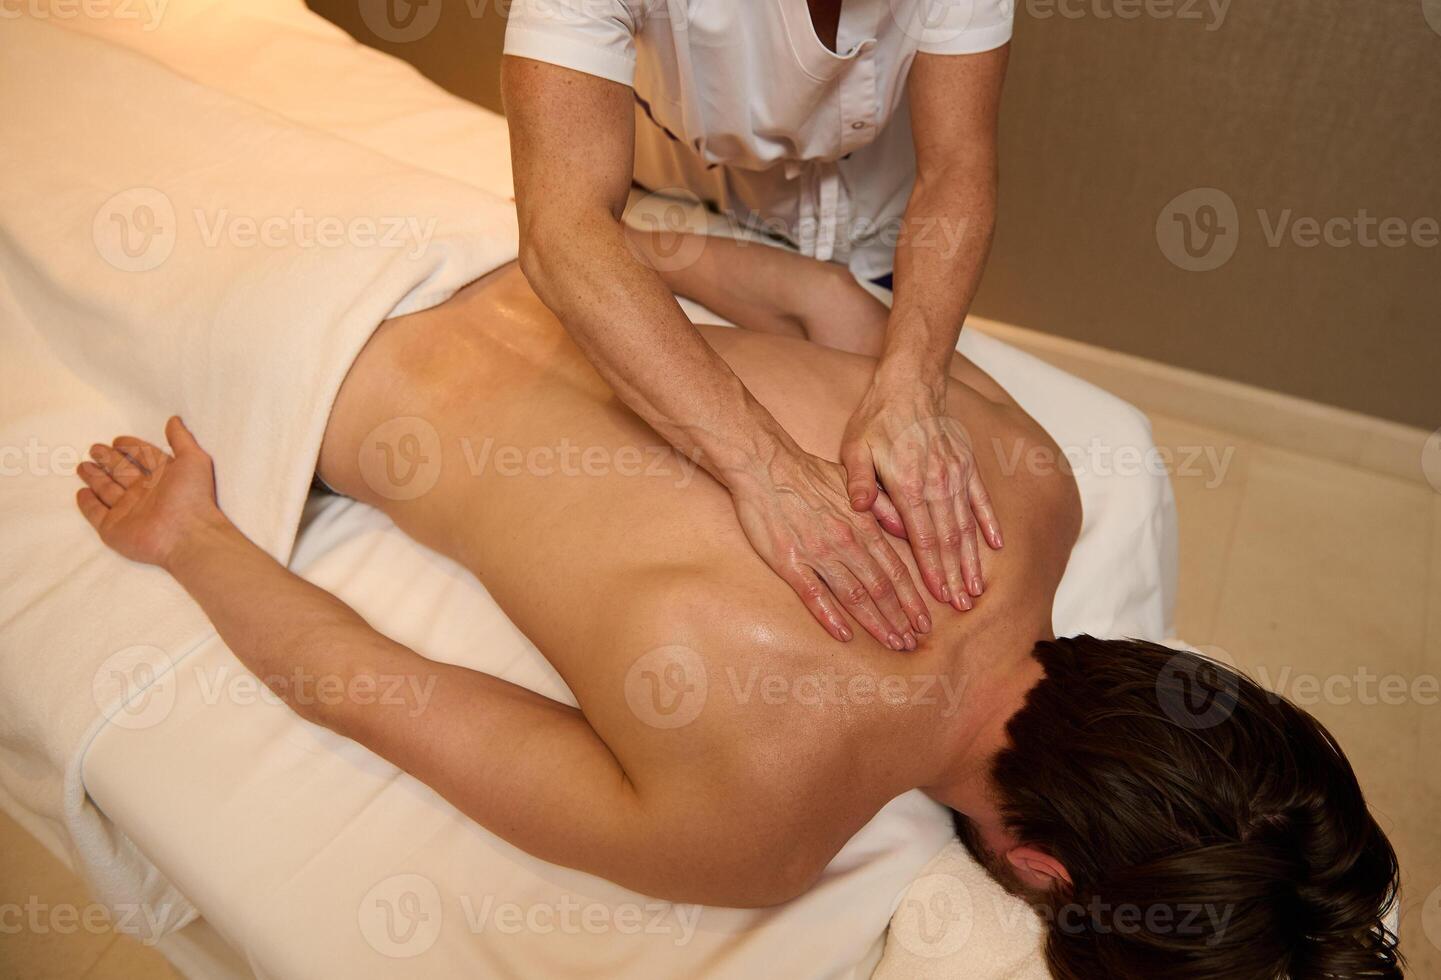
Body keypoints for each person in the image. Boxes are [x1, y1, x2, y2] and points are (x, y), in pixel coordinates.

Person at [74, 241, 1400, 977]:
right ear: (1043, 875)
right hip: (305, 361)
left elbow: (822, 298)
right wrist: (190, 539)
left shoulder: (1034, 487)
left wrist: (598, 252)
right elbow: (375, 693)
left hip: (457, 244)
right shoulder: (753, 832)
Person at [502, 0, 1014, 649]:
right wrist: (765, 469)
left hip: (877, 233)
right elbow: (563, 232)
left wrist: (914, 387)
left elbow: (956, 166)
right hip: (694, 213)